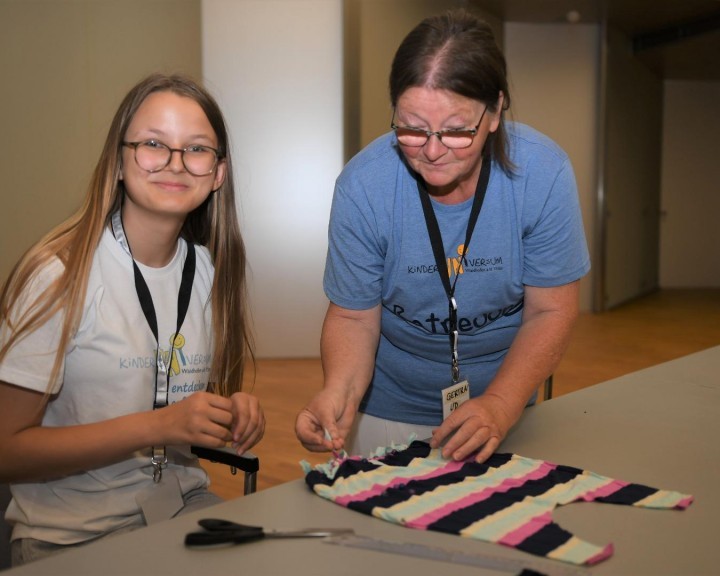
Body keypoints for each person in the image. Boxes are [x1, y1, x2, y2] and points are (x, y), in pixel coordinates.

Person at [296, 10, 590, 464]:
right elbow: (354, 319)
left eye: (456, 130)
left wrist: (500, 404)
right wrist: (339, 391)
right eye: (412, 127)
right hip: (387, 407)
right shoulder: (364, 186)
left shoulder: (542, 174)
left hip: (504, 402)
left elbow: (550, 311)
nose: (431, 151)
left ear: (494, 112)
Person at [0, 73, 264, 565]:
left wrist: (230, 411)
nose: (175, 163)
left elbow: (184, 404)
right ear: (119, 161)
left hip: (181, 506)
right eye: (152, 144)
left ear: (219, 173)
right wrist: (158, 425)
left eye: (197, 149)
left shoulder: (209, 271)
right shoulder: (58, 275)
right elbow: (6, 450)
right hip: (70, 533)